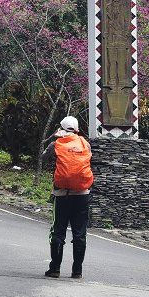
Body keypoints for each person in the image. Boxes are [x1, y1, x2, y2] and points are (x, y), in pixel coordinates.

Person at [41, 115, 94, 279]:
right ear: (77, 129)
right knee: (80, 233)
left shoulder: (55, 144)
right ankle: (77, 271)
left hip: (61, 194)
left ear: (61, 128)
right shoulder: (85, 144)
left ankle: (55, 269)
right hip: (82, 195)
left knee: (57, 232)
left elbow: (43, 157)